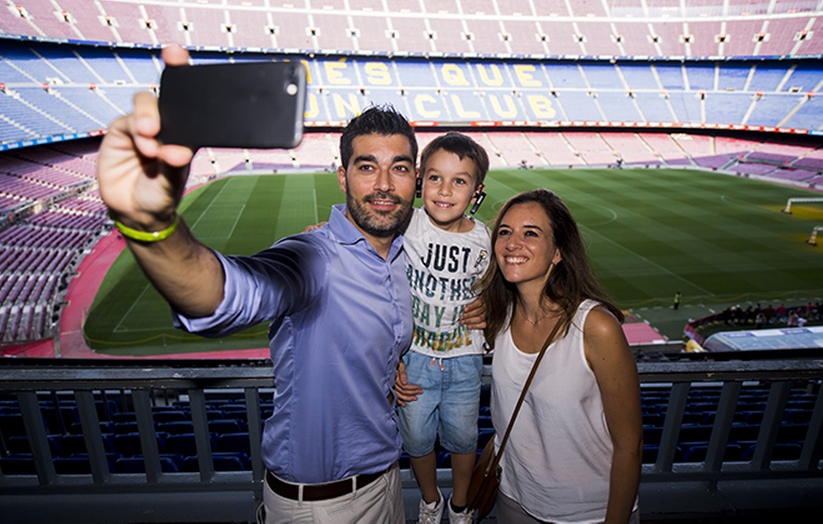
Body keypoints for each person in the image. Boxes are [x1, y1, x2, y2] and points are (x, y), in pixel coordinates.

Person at [97, 44, 419, 523]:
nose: (385, 184)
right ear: (342, 177)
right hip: (321, 507)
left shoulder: (399, 259)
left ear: (414, 178)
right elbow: (223, 295)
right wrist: (152, 227)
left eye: (400, 167)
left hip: (388, 482)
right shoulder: (313, 258)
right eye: (367, 166)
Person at [475, 189, 643, 523]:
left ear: (558, 252)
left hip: (586, 514)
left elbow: (630, 445)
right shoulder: (500, 316)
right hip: (513, 499)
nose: (512, 243)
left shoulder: (595, 327)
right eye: (505, 232)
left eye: (531, 234)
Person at [395, 132, 491, 524]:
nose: (445, 190)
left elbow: (498, 296)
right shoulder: (407, 223)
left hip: (465, 359)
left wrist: (490, 307)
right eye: (435, 178)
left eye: (459, 181)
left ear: (476, 191)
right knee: (417, 440)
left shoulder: (485, 240)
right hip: (415, 358)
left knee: (465, 440)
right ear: (419, 181)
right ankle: (432, 500)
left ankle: (461, 503)